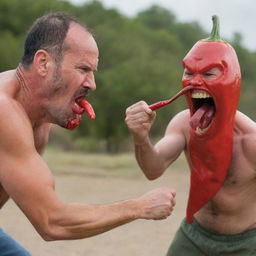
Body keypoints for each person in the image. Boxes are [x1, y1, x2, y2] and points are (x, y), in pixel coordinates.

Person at [0, 12, 176, 255]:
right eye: (83, 68)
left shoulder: (41, 115)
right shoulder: (4, 110)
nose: (92, 83)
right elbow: (51, 222)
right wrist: (139, 207)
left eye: (92, 72)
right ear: (43, 63)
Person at [125, 15, 256, 255]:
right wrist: (140, 137)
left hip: (246, 243)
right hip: (194, 234)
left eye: (208, 74)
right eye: (189, 72)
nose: (195, 82)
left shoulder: (252, 141)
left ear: (231, 82)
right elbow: (153, 170)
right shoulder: (185, 124)